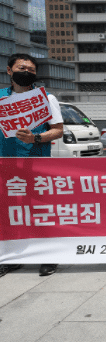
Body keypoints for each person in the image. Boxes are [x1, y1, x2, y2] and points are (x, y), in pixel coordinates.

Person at [0, 53, 63, 278]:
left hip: (37, 164)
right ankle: (11, 257)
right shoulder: (0, 99)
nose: (26, 72)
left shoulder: (47, 98)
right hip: (6, 165)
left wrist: (35, 138)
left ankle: (48, 257)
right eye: (21, 68)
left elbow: (58, 130)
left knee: (41, 210)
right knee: (9, 211)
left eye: (31, 70)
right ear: (9, 71)